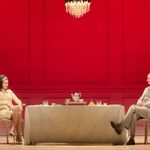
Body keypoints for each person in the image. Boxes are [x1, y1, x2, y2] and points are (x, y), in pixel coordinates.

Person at [111, 73, 150, 145]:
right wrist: (139, 103)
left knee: (132, 107)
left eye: (148, 78)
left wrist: (144, 104)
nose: (147, 80)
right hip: (143, 109)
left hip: (149, 111)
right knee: (133, 116)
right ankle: (132, 139)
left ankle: (121, 126)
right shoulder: (146, 89)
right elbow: (140, 99)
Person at [0, 74, 23, 144]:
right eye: (5, 83)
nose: (7, 84)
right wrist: (6, 103)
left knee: (17, 109)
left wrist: (20, 105)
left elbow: (18, 100)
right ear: (1, 83)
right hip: (2, 112)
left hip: (12, 112)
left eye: (8, 83)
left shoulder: (10, 91)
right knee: (18, 114)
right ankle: (18, 137)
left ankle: (12, 130)